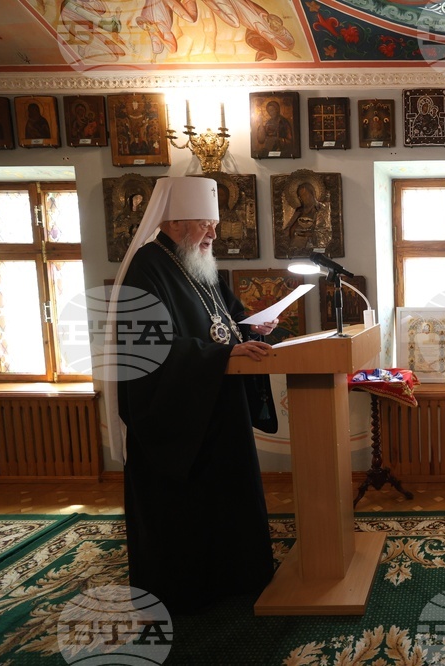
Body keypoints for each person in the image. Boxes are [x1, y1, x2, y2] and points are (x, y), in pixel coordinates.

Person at [106, 177, 281, 614]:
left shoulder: (200, 265)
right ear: (175, 221)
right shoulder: (148, 268)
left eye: (215, 224)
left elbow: (227, 317)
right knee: (187, 513)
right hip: (178, 418)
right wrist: (219, 356)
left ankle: (239, 574)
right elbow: (148, 349)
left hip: (219, 407)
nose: (214, 235)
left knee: (230, 497)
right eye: (206, 224)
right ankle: (188, 590)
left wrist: (253, 327)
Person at [283, 181, 331, 252]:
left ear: (313, 194)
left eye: (305, 195)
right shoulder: (298, 211)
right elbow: (288, 228)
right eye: (301, 196)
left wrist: (311, 234)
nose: (303, 198)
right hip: (295, 248)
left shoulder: (321, 209)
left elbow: (326, 232)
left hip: (313, 248)